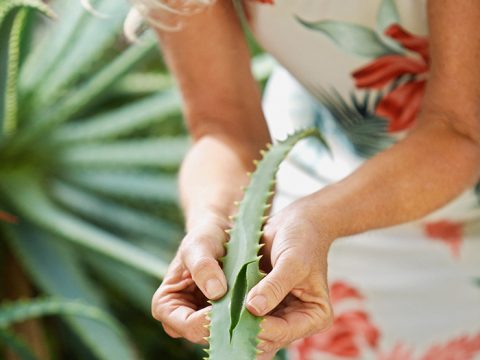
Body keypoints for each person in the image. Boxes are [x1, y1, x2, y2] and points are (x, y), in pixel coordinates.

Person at [145, 0, 480, 359]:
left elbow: (459, 130)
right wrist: (213, 222)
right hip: (327, 204)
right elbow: (223, 126)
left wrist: (319, 220)